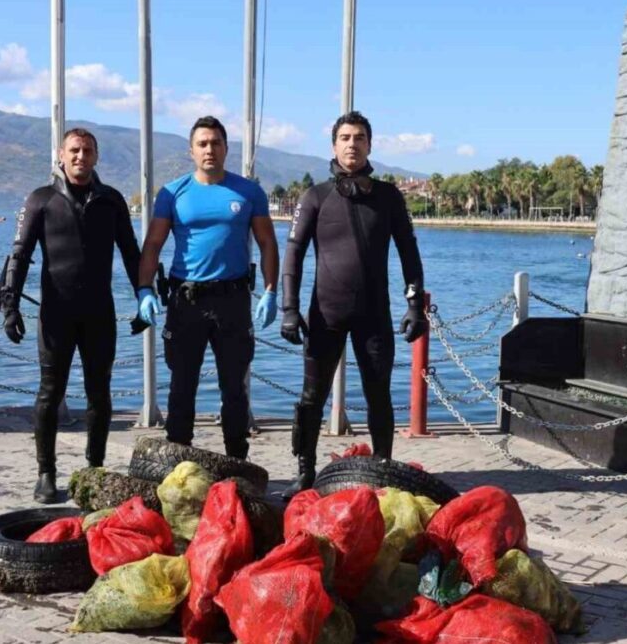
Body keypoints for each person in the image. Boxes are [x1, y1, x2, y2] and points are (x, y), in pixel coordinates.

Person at [279, 110, 428, 500]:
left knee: (379, 396)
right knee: (311, 399)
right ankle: (305, 472)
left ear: (369, 145)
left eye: (359, 137)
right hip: (325, 315)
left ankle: (383, 470)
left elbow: (409, 252)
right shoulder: (315, 196)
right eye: (345, 137)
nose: (352, 144)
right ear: (334, 145)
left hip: (374, 315)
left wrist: (414, 304)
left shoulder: (388, 197)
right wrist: (289, 308)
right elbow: (293, 254)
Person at [0, 127, 141, 503]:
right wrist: (10, 303)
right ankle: (46, 473)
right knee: (49, 392)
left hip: (99, 313)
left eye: (88, 150)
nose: (81, 156)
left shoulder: (111, 200)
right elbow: (20, 254)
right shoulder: (41, 200)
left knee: (99, 393)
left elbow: (131, 253)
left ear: (96, 156)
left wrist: (145, 295)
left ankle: (95, 469)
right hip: (56, 314)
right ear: (61, 155)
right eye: (74, 150)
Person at [136, 116, 279, 459]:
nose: (209, 149)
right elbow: (153, 244)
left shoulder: (249, 192)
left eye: (216, 143)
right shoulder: (173, 193)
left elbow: (267, 243)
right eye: (202, 144)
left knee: (234, 387)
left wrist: (271, 291)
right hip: (186, 301)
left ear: (226, 148)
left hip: (233, 300)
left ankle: (237, 460)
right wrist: (144, 289)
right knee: (182, 385)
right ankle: (177, 460)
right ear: (191, 151)